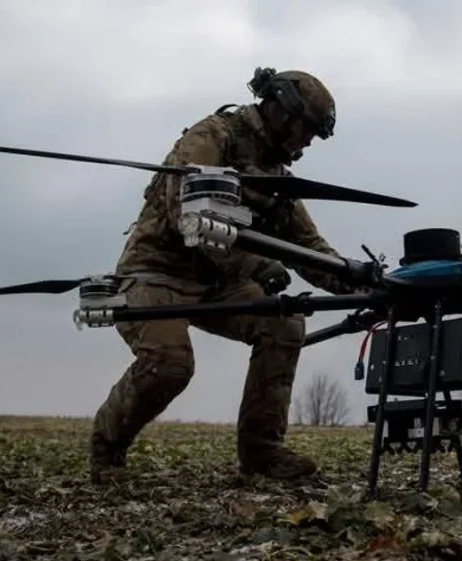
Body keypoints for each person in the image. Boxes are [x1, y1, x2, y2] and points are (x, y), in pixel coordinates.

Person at [89, 67, 359, 484]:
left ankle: (262, 455)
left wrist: (358, 280)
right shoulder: (212, 137)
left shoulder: (277, 179)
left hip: (219, 285)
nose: (307, 142)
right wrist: (254, 266)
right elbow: (189, 220)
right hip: (155, 273)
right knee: (170, 365)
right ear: (281, 109)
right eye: (307, 129)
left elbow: (309, 248)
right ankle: (107, 448)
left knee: (284, 322)